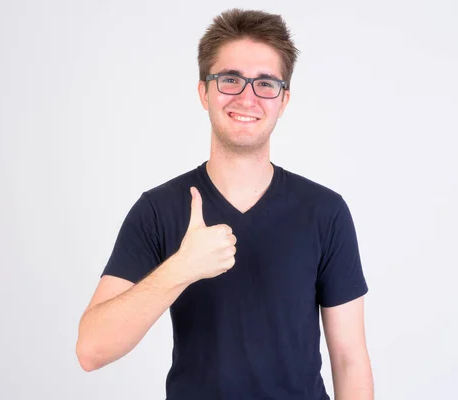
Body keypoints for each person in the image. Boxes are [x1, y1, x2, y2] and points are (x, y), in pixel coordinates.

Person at [76, 8, 374, 400]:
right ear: (204, 91)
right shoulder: (158, 209)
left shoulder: (325, 212)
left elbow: (350, 359)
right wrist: (180, 269)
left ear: (283, 100)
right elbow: (91, 350)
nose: (247, 97)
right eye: (230, 79)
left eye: (265, 83)